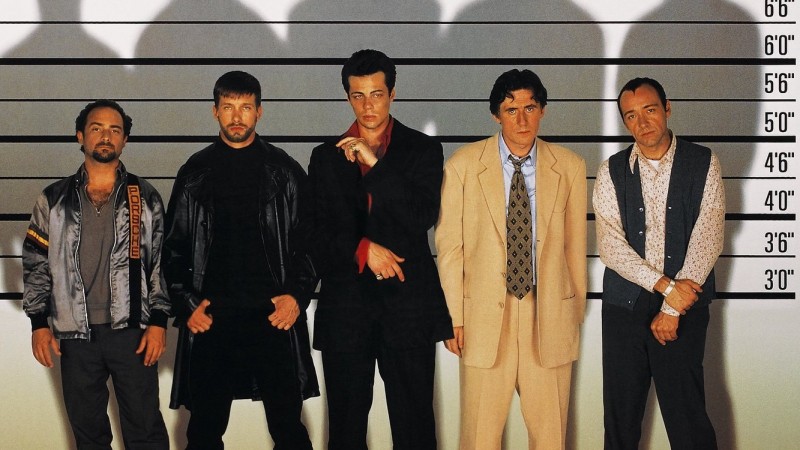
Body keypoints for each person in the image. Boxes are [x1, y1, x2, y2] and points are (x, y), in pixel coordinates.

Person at [162, 71, 318, 450]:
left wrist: (296, 296)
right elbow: (172, 248)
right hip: (213, 318)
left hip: (273, 316)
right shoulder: (195, 172)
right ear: (215, 111)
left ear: (259, 112)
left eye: (245, 107)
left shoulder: (284, 171)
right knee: (204, 430)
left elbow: (312, 242)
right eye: (228, 107)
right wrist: (186, 304)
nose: (236, 116)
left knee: (288, 428)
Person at [306, 49, 453, 450]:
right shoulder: (324, 157)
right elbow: (314, 234)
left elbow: (420, 216)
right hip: (346, 312)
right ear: (348, 97)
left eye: (376, 94)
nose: (368, 105)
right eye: (358, 96)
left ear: (392, 94)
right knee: (346, 431)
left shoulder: (423, 149)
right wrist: (363, 249)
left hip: (407, 310)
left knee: (415, 428)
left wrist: (374, 162)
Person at [435, 68, 587, 450]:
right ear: (496, 115)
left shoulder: (570, 166)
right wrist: (453, 317)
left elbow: (575, 247)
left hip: (548, 313)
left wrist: (573, 312)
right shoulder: (463, 165)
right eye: (511, 109)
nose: (522, 119)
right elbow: (450, 248)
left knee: (550, 438)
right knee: (479, 438)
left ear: (543, 110)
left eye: (530, 108)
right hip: (483, 319)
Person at [22, 100, 171, 449]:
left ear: (124, 140)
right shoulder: (53, 199)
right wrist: (38, 324)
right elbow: (35, 262)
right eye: (97, 128)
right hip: (75, 334)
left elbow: (161, 263)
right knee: (88, 434)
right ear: (80, 136)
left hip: (132, 332)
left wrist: (159, 322)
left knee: (145, 430)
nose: (106, 136)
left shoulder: (145, 196)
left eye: (115, 130)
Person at [594, 77, 725, 449]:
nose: (642, 122)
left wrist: (671, 308)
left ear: (667, 108)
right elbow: (611, 247)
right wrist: (666, 287)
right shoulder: (611, 170)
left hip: (684, 307)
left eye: (650, 110)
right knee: (620, 421)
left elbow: (708, 236)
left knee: (688, 420)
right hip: (623, 308)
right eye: (631, 115)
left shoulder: (703, 162)